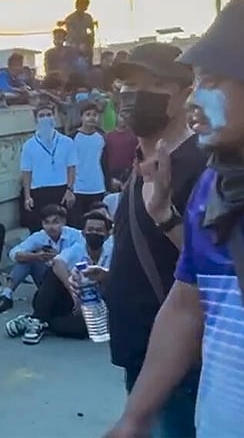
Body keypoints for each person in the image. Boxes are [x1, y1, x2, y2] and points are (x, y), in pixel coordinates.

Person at [107, 0, 244, 438]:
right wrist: (135, 416)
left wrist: (165, 217)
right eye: (197, 81)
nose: (197, 99)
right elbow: (186, 303)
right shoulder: (215, 185)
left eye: (215, 82)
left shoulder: (196, 170)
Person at [100, 41, 208, 438]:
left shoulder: (201, 166)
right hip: (140, 353)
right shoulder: (143, 164)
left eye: (153, 83)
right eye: (126, 83)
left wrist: (166, 217)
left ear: (184, 94)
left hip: (179, 365)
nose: (132, 95)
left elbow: (217, 270)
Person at [5, 210, 113, 345]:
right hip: (63, 298)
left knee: (85, 329)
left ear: (108, 234)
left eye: (99, 230)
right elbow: (58, 262)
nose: (94, 234)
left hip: (95, 303)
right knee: (54, 271)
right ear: (83, 233)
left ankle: (39, 322)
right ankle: (38, 318)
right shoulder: (78, 248)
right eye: (90, 230)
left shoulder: (113, 252)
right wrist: (74, 294)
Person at [0, 204, 82, 313]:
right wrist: (36, 256)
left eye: (55, 222)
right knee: (25, 260)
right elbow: (14, 252)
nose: (51, 227)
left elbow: (82, 258)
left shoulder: (75, 235)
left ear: (63, 222)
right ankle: (6, 295)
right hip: (46, 278)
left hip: (70, 278)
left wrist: (58, 257)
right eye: (47, 223)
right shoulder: (40, 236)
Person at [20, 103, 78, 231]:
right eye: (41, 116)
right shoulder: (28, 145)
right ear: (36, 119)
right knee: (40, 229)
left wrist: (70, 189)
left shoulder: (67, 142)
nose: (45, 118)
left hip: (62, 190)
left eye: (49, 115)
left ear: (54, 117)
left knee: (66, 228)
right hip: (39, 192)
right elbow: (26, 172)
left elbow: (71, 168)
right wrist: (27, 196)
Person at [69, 101, 108, 227]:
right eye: (88, 114)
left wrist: (107, 184)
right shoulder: (72, 137)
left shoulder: (101, 137)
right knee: (79, 224)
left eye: (95, 115)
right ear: (81, 117)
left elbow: (105, 163)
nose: (92, 117)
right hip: (78, 188)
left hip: (97, 187)